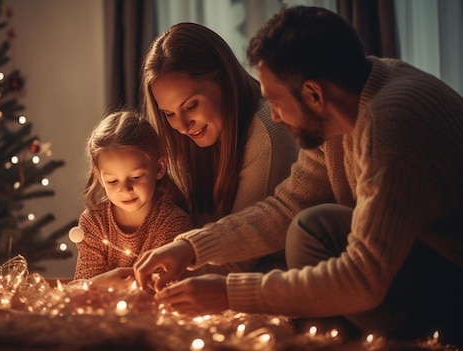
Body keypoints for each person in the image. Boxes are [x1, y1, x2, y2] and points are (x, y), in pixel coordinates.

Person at [134, 6, 463, 345]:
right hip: (427, 268)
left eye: (275, 101)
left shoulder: (390, 124)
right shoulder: (340, 114)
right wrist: (190, 247)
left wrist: (231, 293)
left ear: (314, 94)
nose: (274, 117)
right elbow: (286, 207)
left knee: (315, 231)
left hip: (454, 289)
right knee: (311, 224)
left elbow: (363, 278)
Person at [141, 22, 298, 273]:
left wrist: (146, 282)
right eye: (169, 114)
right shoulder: (189, 139)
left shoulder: (267, 132)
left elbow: (239, 260)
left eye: (191, 106)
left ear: (224, 80)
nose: (181, 125)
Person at [73, 110, 193, 282]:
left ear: (159, 168)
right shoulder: (94, 222)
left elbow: (167, 288)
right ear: (100, 178)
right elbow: (83, 288)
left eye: (136, 177)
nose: (125, 189)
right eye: (113, 181)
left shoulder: (172, 222)